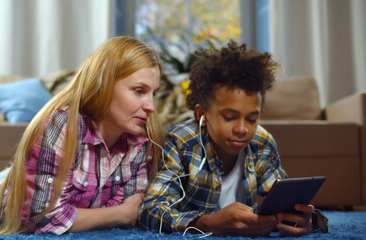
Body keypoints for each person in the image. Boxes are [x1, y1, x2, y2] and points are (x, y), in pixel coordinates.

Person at [138, 40, 328, 237]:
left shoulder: (261, 143)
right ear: (202, 114)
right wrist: (207, 223)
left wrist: (307, 220)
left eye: (252, 119)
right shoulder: (181, 143)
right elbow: (150, 210)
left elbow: (287, 200)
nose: (242, 129)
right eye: (229, 117)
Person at [0, 36, 164, 235]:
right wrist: (120, 214)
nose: (151, 106)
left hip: (52, 182)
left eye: (154, 93)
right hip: (6, 190)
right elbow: (40, 217)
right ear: (104, 84)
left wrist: (115, 213)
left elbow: (128, 208)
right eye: (139, 91)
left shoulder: (141, 140)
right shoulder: (63, 124)